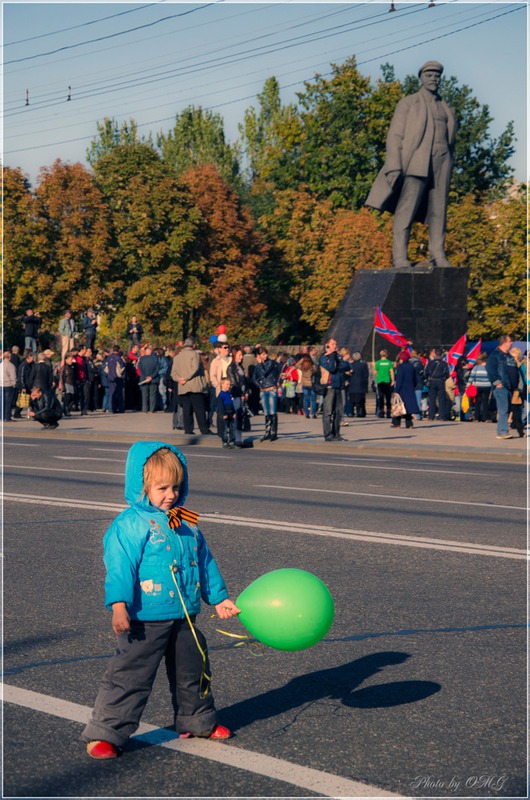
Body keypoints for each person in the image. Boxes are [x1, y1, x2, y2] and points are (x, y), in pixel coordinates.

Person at [82, 442, 240, 759]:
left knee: (193, 671)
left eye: (176, 487)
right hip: (143, 618)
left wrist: (219, 598)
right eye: (162, 487)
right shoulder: (129, 524)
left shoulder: (186, 520)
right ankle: (107, 734)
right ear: (141, 487)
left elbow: (204, 561)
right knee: (130, 676)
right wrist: (118, 606)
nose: (171, 494)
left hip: (184, 615)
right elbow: (120, 568)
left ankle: (197, 721)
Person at [366, 61, 457, 268]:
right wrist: (394, 165)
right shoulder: (409, 103)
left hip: (442, 163)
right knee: (406, 209)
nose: (434, 79)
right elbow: (395, 136)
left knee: (439, 211)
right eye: (429, 75)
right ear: (421, 78)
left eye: (436, 75)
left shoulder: (446, 107)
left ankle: (438, 254)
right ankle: (400, 257)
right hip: (417, 162)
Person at [171, 336, 211, 436]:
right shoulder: (195, 354)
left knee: (187, 409)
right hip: (194, 385)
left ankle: (188, 429)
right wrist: (186, 378)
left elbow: (173, 373)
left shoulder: (177, 357)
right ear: (193, 345)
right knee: (199, 409)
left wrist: (180, 379)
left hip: (183, 386)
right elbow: (195, 368)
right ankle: (204, 429)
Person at [319, 338, 351, 442]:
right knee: (328, 412)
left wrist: (337, 361)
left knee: (338, 412)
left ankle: (336, 434)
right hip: (329, 387)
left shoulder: (338, 356)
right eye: (333, 344)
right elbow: (331, 368)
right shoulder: (324, 357)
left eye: (336, 344)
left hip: (339, 386)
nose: (335, 346)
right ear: (327, 345)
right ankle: (328, 435)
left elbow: (346, 366)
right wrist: (332, 356)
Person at [486, 335, 514, 439]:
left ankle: (504, 430)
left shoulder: (508, 355)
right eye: (510, 341)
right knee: (503, 409)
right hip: (501, 386)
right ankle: (502, 432)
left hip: (509, 386)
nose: (511, 343)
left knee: (507, 408)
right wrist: (496, 382)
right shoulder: (495, 355)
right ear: (504, 343)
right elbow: (490, 369)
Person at [253, 347, 281, 442]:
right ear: (259, 356)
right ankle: (267, 432)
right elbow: (254, 378)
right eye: (262, 354)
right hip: (263, 390)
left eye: (265, 354)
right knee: (266, 412)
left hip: (271, 389)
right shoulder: (257, 366)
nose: (265, 356)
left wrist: (260, 363)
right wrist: (259, 385)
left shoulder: (271, 363)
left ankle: (274, 432)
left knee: (273, 411)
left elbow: (265, 373)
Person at [391, 350, 420, 428]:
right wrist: (413, 385)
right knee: (408, 407)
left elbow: (399, 379)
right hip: (410, 389)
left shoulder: (400, 367)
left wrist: (396, 390)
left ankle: (397, 423)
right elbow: (415, 379)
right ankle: (409, 424)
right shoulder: (411, 366)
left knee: (399, 407)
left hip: (402, 390)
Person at [424, 347, 450, 421]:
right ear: (441, 355)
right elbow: (447, 374)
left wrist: (428, 378)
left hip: (432, 381)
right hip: (440, 381)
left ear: (435, 354)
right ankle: (442, 416)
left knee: (432, 399)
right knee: (441, 399)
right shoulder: (444, 364)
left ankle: (431, 416)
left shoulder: (430, 363)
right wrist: (444, 379)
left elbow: (426, 373)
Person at [467, 353, 492, 423]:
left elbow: (471, 377)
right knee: (485, 402)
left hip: (477, 386)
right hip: (487, 386)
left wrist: (467, 386)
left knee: (477, 402)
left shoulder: (476, 367)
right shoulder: (489, 367)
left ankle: (476, 417)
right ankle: (486, 417)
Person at [138, 345, 160, 413]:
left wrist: (145, 376)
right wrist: (151, 376)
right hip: (153, 379)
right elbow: (157, 369)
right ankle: (152, 409)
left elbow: (140, 369)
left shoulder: (141, 359)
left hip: (144, 379)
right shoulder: (155, 359)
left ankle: (144, 409)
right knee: (152, 395)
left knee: (144, 395)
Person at [374, 349, 395, 419]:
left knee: (381, 397)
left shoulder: (378, 363)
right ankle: (388, 412)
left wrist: (373, 366)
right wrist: (393, 380)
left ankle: (382, 412)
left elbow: (375, 372)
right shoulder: (389, 363)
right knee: (388, 398)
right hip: (387, 381)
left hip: (380, 381)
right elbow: (391, 372)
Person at [347, 352, 369, 418]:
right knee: (360, 400)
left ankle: (351, 412)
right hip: (361, 385)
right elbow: (366, 375)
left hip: (352, 384)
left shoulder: (350, 365)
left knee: (352, 400)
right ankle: (360, 412)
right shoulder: (363, 365)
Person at [217, 377, 237, 448]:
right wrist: (223, 414)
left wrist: (234, 412)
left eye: (229, 385)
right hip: (225, 413)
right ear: (222, 384)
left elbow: (232, 404)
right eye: (227, 384)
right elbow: (220, 406)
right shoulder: (221, 395)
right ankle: (225, 441)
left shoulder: (229, 394)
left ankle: (232, 441)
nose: (229, 386)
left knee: (233, 428)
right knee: (225, 428)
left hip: (231, 412)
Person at [106, 346, 126, 414]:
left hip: (110, 377)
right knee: (120, 394)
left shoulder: (108, 358)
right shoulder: (118, 358)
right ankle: (120, 408)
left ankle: (113, 408)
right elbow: (122, 368)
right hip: (118, 378)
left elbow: (105, 368)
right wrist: (123, 376)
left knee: (112, 393)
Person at [1, 351, 17, 422]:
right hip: (8, 385)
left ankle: (1, 416)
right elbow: (13, 376)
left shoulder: (1, 364)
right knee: (8, 402)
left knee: (2, 401)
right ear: (9, 357)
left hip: (1, 385)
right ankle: (7, 417)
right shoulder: (11, 365)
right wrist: (14, 384)